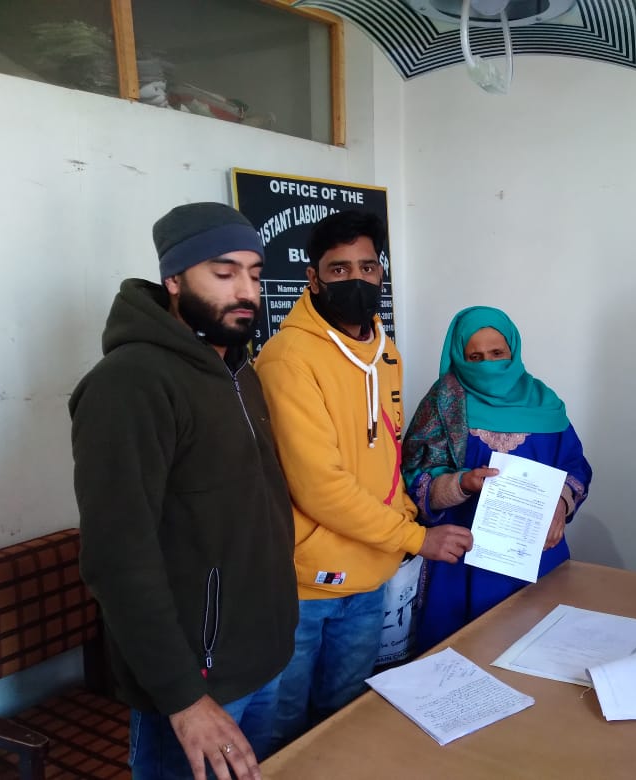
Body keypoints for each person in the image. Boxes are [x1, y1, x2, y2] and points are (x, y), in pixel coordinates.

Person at [69, 202, 298, 780]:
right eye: (224, 273)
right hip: (198, 685)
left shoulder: (238, 369)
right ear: (174, 279)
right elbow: (118, 559)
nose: (246, 290)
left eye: (254, 272)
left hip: (263, 659)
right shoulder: (131, 384)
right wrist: (184, 700)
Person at [254, 211, 473, 747]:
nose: (356, 279)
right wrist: (416, 538)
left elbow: (388, 456)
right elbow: (318, 485)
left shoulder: (387, 353)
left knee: (345, 715)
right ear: (313, 278)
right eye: (338, 269)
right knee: (284, 727)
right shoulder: (289, 358)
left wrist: (404, 522)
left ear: (382, 273)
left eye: (368, 266)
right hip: (306, 584)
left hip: (371, 576)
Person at [402, 306, 592, 654]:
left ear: (513, 351)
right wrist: (461, 483)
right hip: (459, 562)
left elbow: (575, 466)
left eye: (497, 354)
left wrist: (561, 505)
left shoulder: (544, 403)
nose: (488, 364)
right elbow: (414, 475)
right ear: (459, 357)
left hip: (533, 560)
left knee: (535, 662)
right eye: (474, 357)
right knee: (456, 666)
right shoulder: (443, 404)